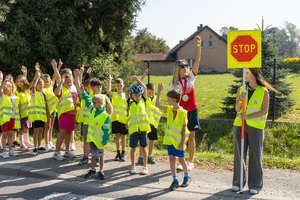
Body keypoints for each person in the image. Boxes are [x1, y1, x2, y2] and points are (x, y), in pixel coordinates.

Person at [231, 68, 278, 194]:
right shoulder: (241, 90)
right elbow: (236, 109)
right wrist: (240, 100)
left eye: (247, 73)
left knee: (255, 155)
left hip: (256, 127)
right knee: (239, 154)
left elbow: (264, 111)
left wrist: (248, 116)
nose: (244, 75)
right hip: (239, 125)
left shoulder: (264, 91)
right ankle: (238, 183)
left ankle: (255, 185)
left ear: (255, 75)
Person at [169, 36, 201, 171]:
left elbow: (197, 61)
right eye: (183, 66)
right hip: (180, 112)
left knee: (191, 136)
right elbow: (171, 100)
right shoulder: (173, 83)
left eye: (187, 65)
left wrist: (199, 46)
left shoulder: (191, 77)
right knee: (179, 136)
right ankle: (178, 159)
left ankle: (190, 161)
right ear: (178, 68)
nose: (186, 67)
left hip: (192, 110)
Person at [74, 69, 110, 180]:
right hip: (92, 138)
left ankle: (101, 171)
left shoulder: (105, 115)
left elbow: (106, 130)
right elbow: (84, 96)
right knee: (93, 155)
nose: (92, 104)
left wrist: (105, 140)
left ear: (100, 103)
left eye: (94, 103)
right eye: (92, 103)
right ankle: (93, 169)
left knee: (101, 155)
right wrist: (77, 77)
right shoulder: (92, 109)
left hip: (100, 140)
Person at [156, 83, 191, 191]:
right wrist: (159, 91)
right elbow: (157, 105)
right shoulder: (169, 109)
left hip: (178, 142)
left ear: (174, 100)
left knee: (181, 160)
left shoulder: (183, 113)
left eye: (168, 99)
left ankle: (187, 177)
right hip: (169, 140)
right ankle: (175, 180)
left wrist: (181, 143)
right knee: (171, 159)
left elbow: (184, 128)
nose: (167, 101)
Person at [52, 61, 78, 160]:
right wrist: (55, 68)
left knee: (69, 132)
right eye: (67, 82)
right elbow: (56, 93)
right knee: (62, 133)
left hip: (72, 113)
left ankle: (67, 150)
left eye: (70, 82)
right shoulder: (61, 87)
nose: (69, 84)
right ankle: (56, 152)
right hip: (64, 114)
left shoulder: (74, 87)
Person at [125, 75, 150, 175]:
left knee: (143, 148)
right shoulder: (130, 102)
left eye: (139, 95)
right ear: (132, 95)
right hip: (134, 129)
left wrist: (138, 80)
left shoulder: (143, 101)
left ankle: (145, 167)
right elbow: (126, 91)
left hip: (143, 129)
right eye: (136, 95)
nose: (138, 97)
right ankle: (133, 166)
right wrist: (132, 86)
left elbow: (145, 88)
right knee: (133, 148)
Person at [137, 69, 162, 165]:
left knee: (152, 140)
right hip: (144, 123)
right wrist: (143, 75)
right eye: (149, 92)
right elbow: (139, 85)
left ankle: (150, 156)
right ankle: (140, 157)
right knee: (143, 141)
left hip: (153, 123)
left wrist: (159, 91)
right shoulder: (143, 98)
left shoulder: (155, 98)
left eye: (152, 92)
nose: (151, 94)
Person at [107, 72, 128, 162]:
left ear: (123, 85)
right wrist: (110, 80)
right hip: (115, 119)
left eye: (120, 85)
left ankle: (123, 153)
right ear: (115, 86)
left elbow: (128, 109)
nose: (119, 87)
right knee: (117, 136)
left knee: (123, 136)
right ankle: (118, 153)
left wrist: (128, 121)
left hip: (124, 120)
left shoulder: (126, 96)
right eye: (117, 85)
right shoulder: (114, 94)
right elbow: (108, 90)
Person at [42, 59, 63, 151]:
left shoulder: (50, 86)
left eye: (48, 81)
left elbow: (55, 76)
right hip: (47, 110)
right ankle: (46, 143)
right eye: (44, 81)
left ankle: (50, 141)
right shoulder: (42, 90)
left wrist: (58, 67)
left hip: (53, 109)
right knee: (47, 127)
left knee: (51, 126)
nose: (46, 83)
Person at [29, 68, 48, 156]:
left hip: (42, 116)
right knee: (36, 131)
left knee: (41, 130)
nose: (41, 86)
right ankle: (35, 147)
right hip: (36, 116)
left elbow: (45, 106)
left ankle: (40, 145)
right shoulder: (34, 93)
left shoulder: (43, 94)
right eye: (39, 84)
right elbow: (33, 86)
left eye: (42, 84)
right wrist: (38, 77)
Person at [0, 75, 20, 158]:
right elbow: (0, 88)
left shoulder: (15, 97)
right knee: (4, 135)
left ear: (11, 88)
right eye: (4, 88)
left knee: (11, 135)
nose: (4, 89)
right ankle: (4, 152)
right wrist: (4, 81)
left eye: (6, 88)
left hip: (12, 118)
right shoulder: (2, 96)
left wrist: (11, 81)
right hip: (4, 119)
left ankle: (10, 150)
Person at [15, 66, 35, 150]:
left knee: (26, 127)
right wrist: (18, 113)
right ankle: (22, 144)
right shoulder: (16, 91)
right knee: (21, 129)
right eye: (18, 81)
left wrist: (36, 73)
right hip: (20, 113)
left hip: (27, 113)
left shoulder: (27, 89)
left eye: (21, 81)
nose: (19, 82)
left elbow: (31, 82)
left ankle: (27, 142)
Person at [77, 66, 94, 166]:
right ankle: (86, 155)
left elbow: (85, 83)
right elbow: (80, 84)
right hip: (85, 120)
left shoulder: (93, 94)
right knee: (86, 140)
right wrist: (82, 73)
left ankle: (92, 154)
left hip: (92, 121)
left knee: (91, 139)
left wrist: (86, 74)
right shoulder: (86, 93)